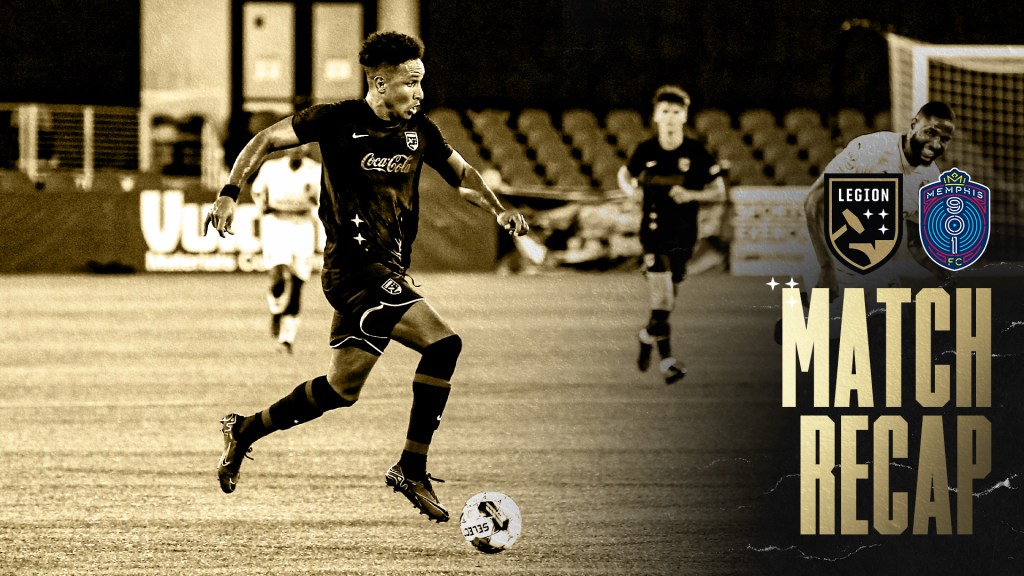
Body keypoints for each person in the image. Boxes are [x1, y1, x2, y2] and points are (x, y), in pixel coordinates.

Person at [204, 31, 528, 523]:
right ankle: (411, 468)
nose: (419, 93)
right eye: (411, 82)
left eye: (421, 82)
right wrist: (230, 192)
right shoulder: (336, 120)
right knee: (443, 345)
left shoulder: (420, 130)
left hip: (388, 269)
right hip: (353, 270)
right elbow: (265, 139)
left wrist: (498, 209)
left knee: (341, 389)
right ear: (379, 83)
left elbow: (462, 175)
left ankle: (244, 429)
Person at [803, 101, 956, 315]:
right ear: (913, 125)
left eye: (944, 139)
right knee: (836, 332)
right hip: (834, 258)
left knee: (894, 325)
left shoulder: (930, 181)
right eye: (930, 133)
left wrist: (946, 273)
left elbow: (917, 242)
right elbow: (814, 201)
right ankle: (798, 320)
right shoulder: (870, 150)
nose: (936, 144)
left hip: (876, 264)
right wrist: (826, 267)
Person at [617, 85, 726, 384]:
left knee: (665, 304)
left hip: (684, 235)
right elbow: (625, 174)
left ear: (684, 117)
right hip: (653, 233)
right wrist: (630, 190)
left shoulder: (696, 152)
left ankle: (646, 335)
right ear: (655, 116)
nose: (669, 117)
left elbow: (719, 192)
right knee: (663, 298)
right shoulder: (646, 150)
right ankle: (667, 362)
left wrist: (691, 195)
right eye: (664, 111)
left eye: (676, 112)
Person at [249, 144, 322, 353]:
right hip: (277, 222)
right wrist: (262, 206)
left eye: (302, 146)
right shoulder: (271, 167)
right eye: (294, 146)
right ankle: (275, 309)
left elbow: (323, 200)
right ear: (287, 149)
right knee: (278, 275)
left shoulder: (315, 170)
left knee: (298, 282)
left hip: (303, 224)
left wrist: (314, 200)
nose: (297, 150)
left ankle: (287, 338)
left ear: (306, 149)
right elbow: (257, 191)